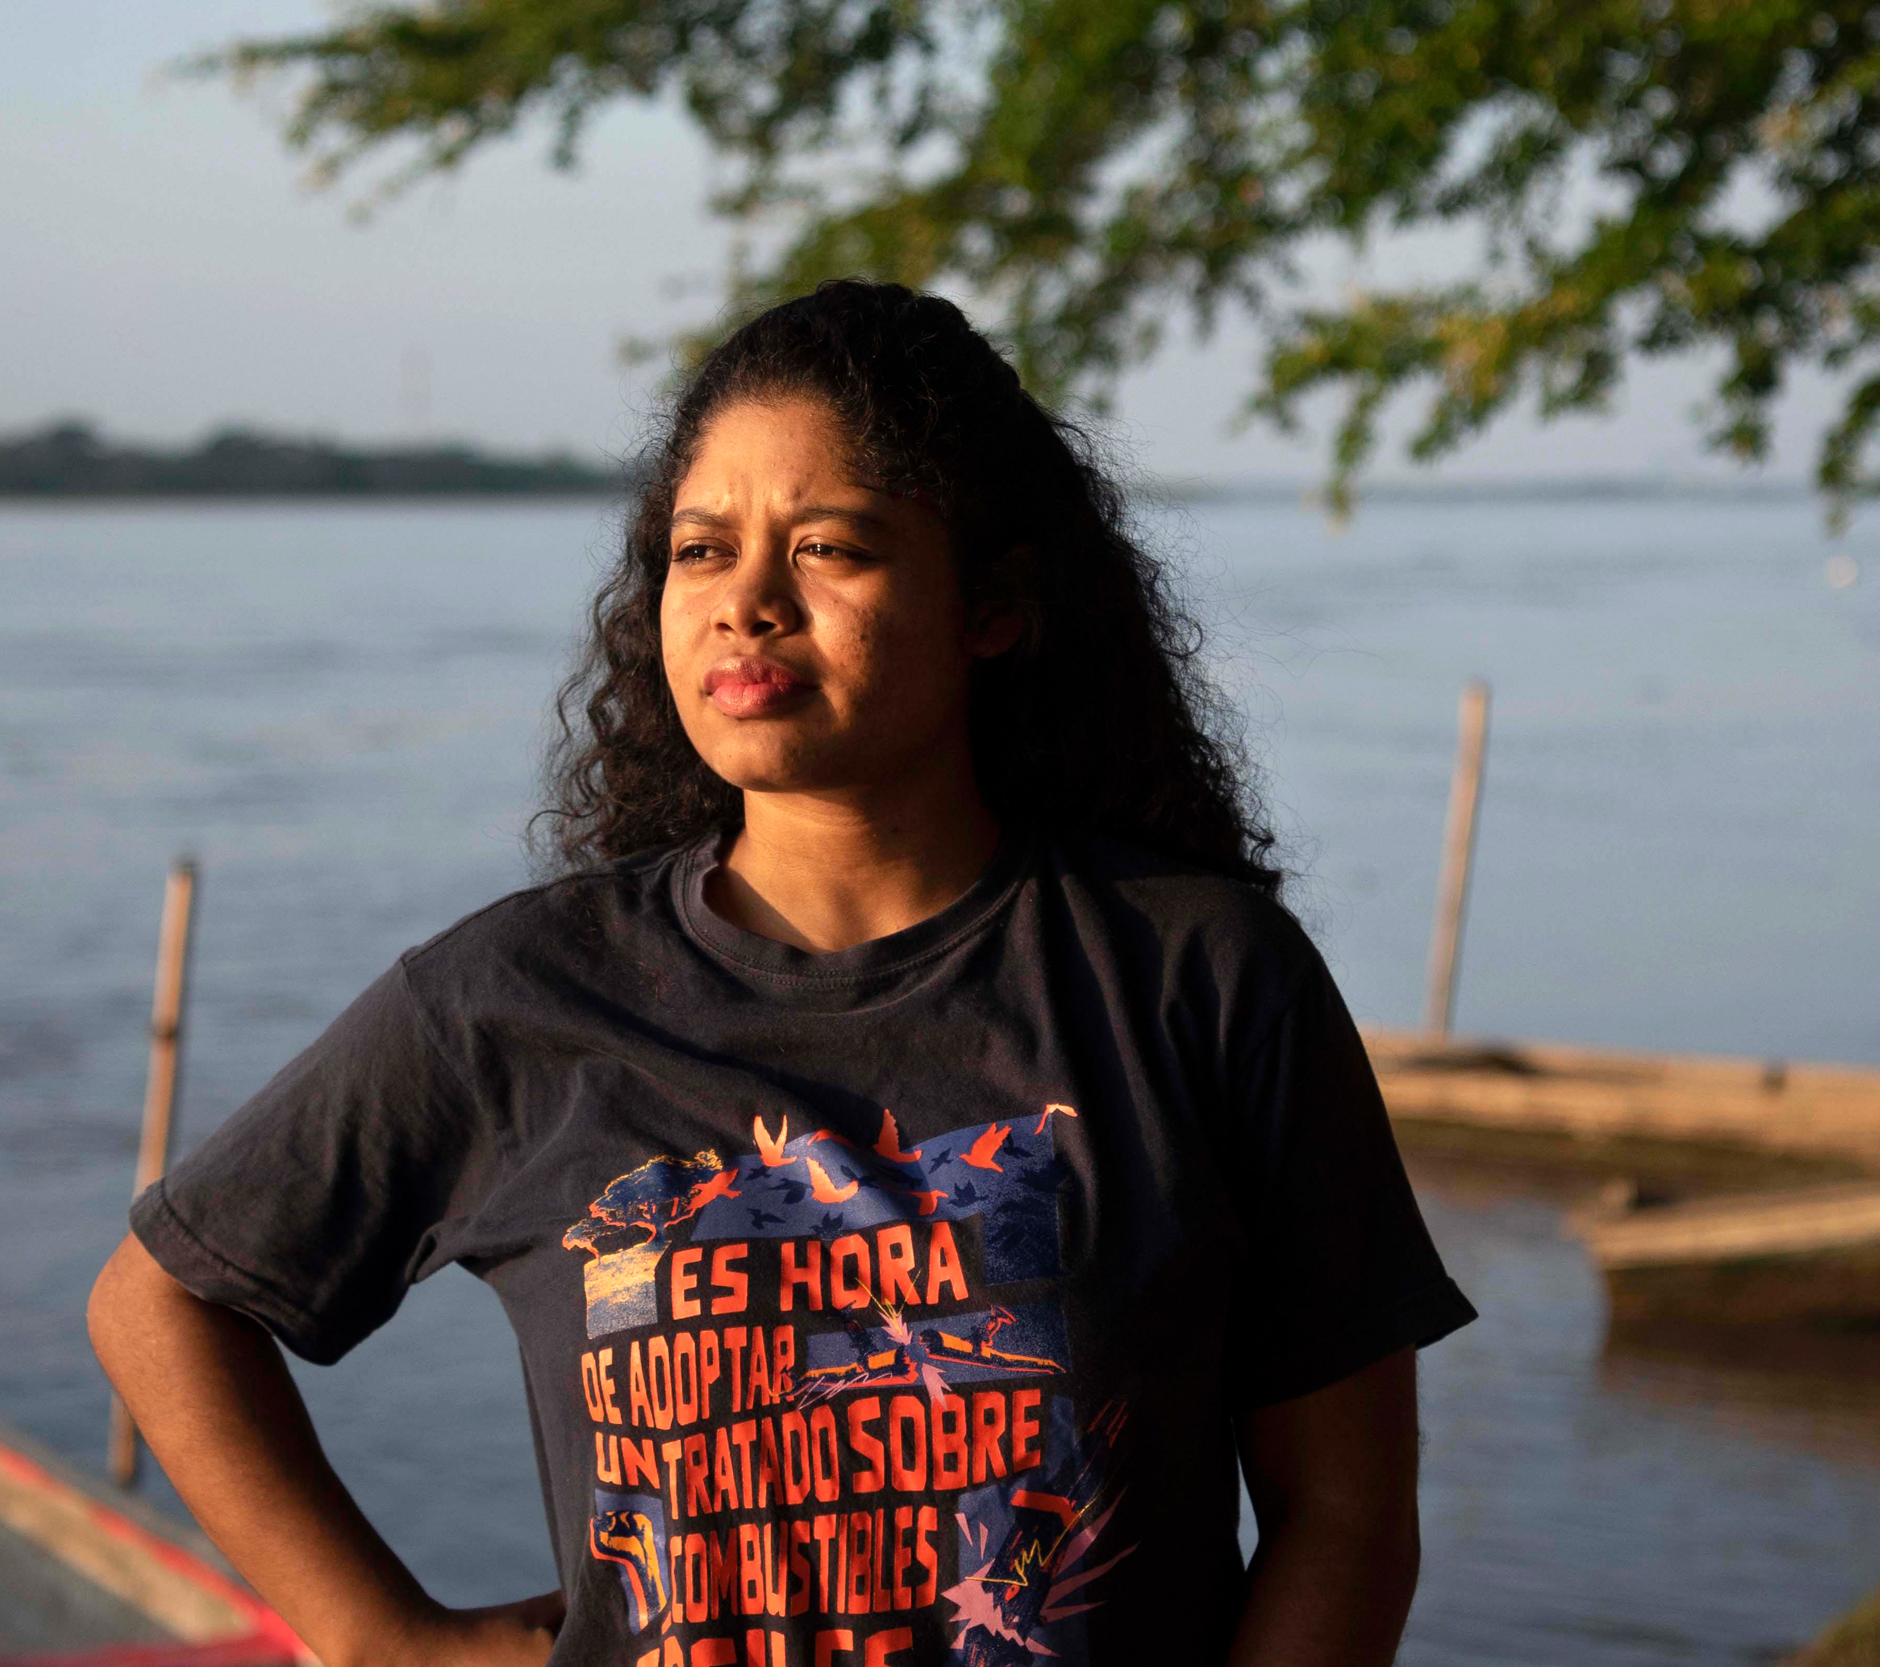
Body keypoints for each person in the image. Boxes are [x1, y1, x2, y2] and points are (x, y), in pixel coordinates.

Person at [88, 279, 1475, 1667]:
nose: (747, 602)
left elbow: (1343, 1517)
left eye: (830, 548)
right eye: (702, 550)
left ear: (991, 605)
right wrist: (378, 1635)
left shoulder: (1198, 982)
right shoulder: (516, 1000)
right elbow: (164, 1301)